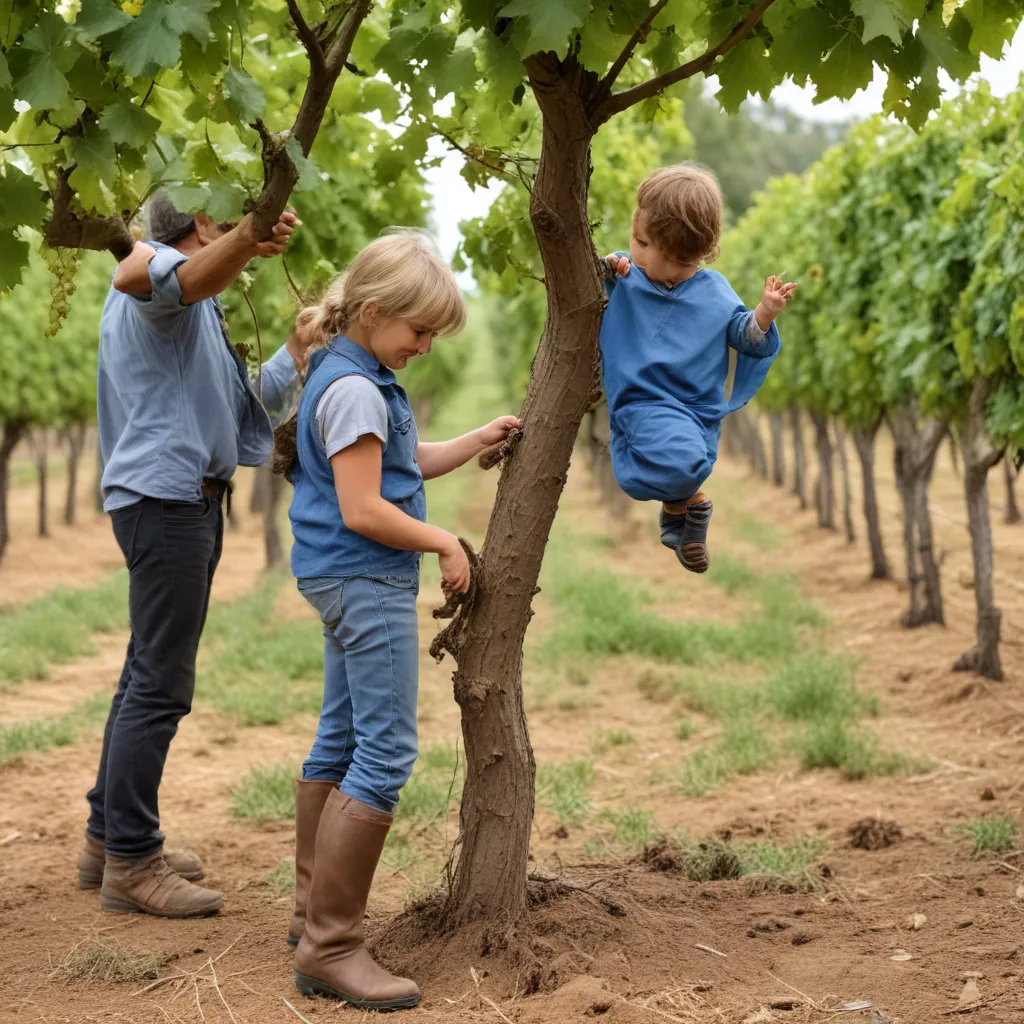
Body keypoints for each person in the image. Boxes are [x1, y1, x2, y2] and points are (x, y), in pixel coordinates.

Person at [281, 232, 518, 1010]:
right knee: (384, 753)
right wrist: (444, 539)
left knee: (342, 739)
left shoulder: (354, 372)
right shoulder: (355, 389)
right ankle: (331, 946)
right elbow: (363, 507)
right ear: (376, 312)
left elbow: (396, 469)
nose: (423, 346)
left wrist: (476, 439)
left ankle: (310, 917)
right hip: (364, 579)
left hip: (339, 576)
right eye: (418, 331)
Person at [80, 194, 311, 919]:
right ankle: (133, 863)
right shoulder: (154, 277)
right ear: (202, 226)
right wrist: (247, 237)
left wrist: (297, 351)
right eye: (232, 219)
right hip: (166, 500)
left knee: (141, 672)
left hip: (180, 497)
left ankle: (107, 839)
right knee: (159, 684)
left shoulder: (192, 310)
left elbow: (240, 406)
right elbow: (138, 271)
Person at [600, 163, 796, 571]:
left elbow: (743, 335)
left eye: (641, 242)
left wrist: (764, 313)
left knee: (680, 464)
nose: (631, 247)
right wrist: (610, 269)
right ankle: (686, 507)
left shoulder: (714, 291)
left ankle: (680, 511)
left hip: (694, 411)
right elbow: (600, 282)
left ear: (677, 255)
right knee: (636, 479)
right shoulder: (628, 275)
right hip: (640, 401)